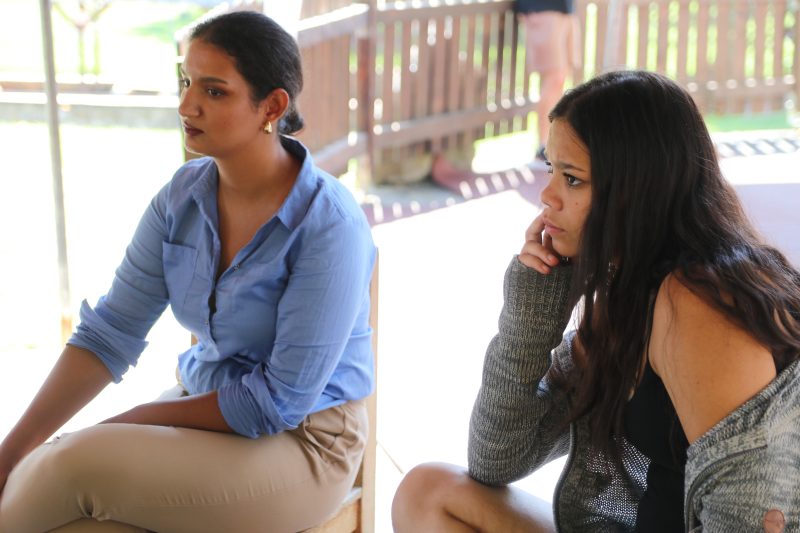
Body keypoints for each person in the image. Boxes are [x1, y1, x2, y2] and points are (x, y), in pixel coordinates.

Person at [0, 11, 375, 533]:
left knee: (69, 467)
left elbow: (275, 403)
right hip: (205, 412)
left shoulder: (329, 224)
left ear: (272, 106)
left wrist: (125, 423)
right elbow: (109, 333)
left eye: (214, 91)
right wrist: (10, 454)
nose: (186, 105)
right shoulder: (180, 198)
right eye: (186, 82)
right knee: (78, 517)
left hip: (306, 443)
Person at [392, 70, 800, 532]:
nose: (547, 196)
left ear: (636, 189)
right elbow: (497, 457)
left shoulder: (701, 304)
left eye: (572, 179)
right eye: (551, 169)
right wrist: (535, 303)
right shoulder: (627, 292)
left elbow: (750, 519)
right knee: (428, 494)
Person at [516, 0, 579, 163]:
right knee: (554, 77)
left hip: (564, 10)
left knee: (561, 78)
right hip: (542, 10)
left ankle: (552, 140)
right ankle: (543, 144)